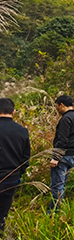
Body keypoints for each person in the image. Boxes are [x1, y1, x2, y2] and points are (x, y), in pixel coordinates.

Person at [49, 95, 74, 213]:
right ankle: (58, 209)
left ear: (62, 104)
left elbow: (62, 140)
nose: (57, 109)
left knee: (57, 186)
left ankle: (54, 212)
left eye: (57, 106)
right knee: (62, 185)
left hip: (63, 156)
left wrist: (55, 157)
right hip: (73, 155)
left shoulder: (65, 119)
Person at [0, 98, 30, 232]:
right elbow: (25, 158)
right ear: (13, 112)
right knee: (2, 213)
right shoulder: (22, 131)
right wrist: (18, 173)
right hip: (10, 177)